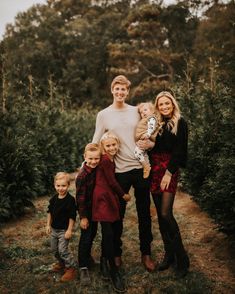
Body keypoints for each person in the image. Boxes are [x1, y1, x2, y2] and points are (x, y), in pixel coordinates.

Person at [92, 75, 155, 272]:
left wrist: (150, 144)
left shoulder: (136, 111)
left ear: (128, 92)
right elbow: (96, 142)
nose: (120, 92)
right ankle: (116, 253)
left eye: (124, 90)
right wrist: (88, 165)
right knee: (117, 214)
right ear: (112, 90)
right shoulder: (103, 115)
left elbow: (149, 135)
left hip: (140, 168)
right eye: (117, 89)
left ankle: (146, 253)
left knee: (144, 214)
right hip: (119, 172)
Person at [149, 91, 190, 278]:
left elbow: (180, 150)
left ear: (173, 104)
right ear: (157, 107)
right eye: (161, 105)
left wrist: (169, 173)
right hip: (154, 168)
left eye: (167, 104)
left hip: (169, 169)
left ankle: (182, 259)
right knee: (160, 214)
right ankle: (169, 255)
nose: (164, 107)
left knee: (166, 213)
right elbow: (149, 147)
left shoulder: (180, 122)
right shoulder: (155, 123)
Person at [93, 131, 131, 292]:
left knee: (109, 231)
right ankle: (114, 273)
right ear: (103, 146)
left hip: (107, 197)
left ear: (118, 145)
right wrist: (124, 194)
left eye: (114, 144)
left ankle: (103, 262)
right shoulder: (106, 161)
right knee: (108, 233)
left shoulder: (109, 159)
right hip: (103, 199)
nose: (111, 147)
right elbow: (111, 181)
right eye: (108, 145)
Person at [75, 143, 101, 286]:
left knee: (92, 234)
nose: (93, 161)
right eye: (90, 158)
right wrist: (83, 217)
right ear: (85, 157)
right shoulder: (82, 175)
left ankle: (88, 259)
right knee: (85, 237)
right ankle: (83, 266)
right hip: (86, 211)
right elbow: (80, 198)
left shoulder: (96, 170)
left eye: (96, 158)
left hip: (95, 209)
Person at [46, 172, 77, 282]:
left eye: (63, 186)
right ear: (55, 185)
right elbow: (49, 212)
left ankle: (71, 267)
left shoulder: (70, 200)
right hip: (54, 229)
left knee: (62, 250)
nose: (61, 188)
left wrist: (69, 230)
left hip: (64, 230)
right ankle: (61, 263)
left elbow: (72, 216)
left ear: (68, 185)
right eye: (58, 186)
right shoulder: (53, 199)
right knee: (54, 250)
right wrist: (48, 225)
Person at [134, 102, 163, 178]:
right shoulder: (144, 120)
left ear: (152, 111)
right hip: (144, 137)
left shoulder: (151, 118)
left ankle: (146, 166)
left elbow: (151, 126)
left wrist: (148, 134)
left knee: (137, 153)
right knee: (143, 153)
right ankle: (147, 166)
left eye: (145, 110)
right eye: (141, 112)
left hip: (146, 137)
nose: (143, 113)